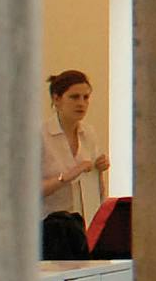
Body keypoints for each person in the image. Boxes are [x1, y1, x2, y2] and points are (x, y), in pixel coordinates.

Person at [41, 69, 108, 260]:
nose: (82, 103)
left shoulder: (89, 133)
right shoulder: (39, 135)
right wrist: (64, 177)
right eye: (74, 97)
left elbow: (96, 190)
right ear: (57, 99)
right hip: (48, 228)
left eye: (86, 97)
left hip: (81, 227)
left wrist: (100, 170)